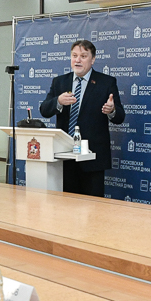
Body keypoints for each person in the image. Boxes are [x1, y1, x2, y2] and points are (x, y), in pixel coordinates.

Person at [39, 39, 125, 196]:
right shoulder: (59, 82)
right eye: (74, 55)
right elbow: (44, 110)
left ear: (93, 59)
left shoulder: (106, 82)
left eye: (83, 56)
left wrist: (112, 110)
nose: (77, 60)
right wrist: (58, 101)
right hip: (64, 156)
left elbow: (119, 117)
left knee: (93, 206)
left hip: (92, 158)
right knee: (66, 205)